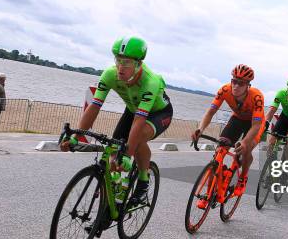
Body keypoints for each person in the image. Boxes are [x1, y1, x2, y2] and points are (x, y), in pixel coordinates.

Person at [60, 37, 173, 204]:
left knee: (137, 138)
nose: (120, 67)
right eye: (118, 60)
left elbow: (140, 120)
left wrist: (128, 154)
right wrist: (76, 136)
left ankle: (143, 181)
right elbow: (94, 106)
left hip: (159, 113)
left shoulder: (151, 82)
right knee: (113, 150)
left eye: (126, 62)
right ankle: (116, 185)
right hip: (133, 109)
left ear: (138, 64)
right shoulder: (110, 74)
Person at [191, 64, 264, 207]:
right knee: (219, 151)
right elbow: (210, 112)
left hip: (254, 124)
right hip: (237, 119)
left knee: (246, 148)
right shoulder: (225, 90)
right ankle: (208, 193)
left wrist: (244, 142)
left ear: (248, 85)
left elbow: (256, 126)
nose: (236, 86)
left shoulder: (256, 97)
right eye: (234, 81)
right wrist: (200, 129)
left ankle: (243, 177)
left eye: (241, 83)